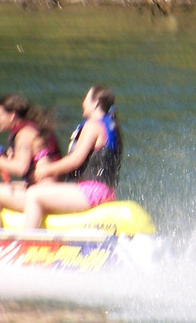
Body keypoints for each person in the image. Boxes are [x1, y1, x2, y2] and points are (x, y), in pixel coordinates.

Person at [19, 84, 122, 229]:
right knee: (41, 190)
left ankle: (27, 242)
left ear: (96, 103)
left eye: (86, 98)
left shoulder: (93, 126)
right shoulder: (110, 125)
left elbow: (75, 160)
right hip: (105, 191)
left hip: (91, 192)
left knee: (34, 194)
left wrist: (46, 170)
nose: (83, 102)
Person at [0, 93, 59, 226]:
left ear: (12, 115)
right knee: (9, 185)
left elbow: (20, 168)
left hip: (45, 193)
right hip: (45, 188)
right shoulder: (30, 129)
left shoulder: (24, 134)